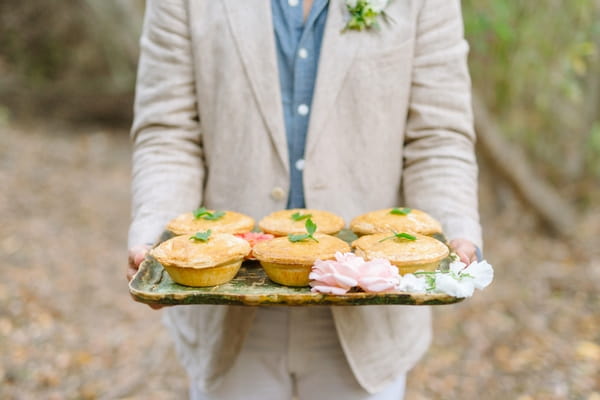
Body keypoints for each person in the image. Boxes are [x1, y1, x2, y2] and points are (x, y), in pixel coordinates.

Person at [127, 0, 481, 399]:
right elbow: (168, 134)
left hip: (367, 320)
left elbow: (437, 138)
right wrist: (155, 238)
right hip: (227, 311)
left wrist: (456, 231)